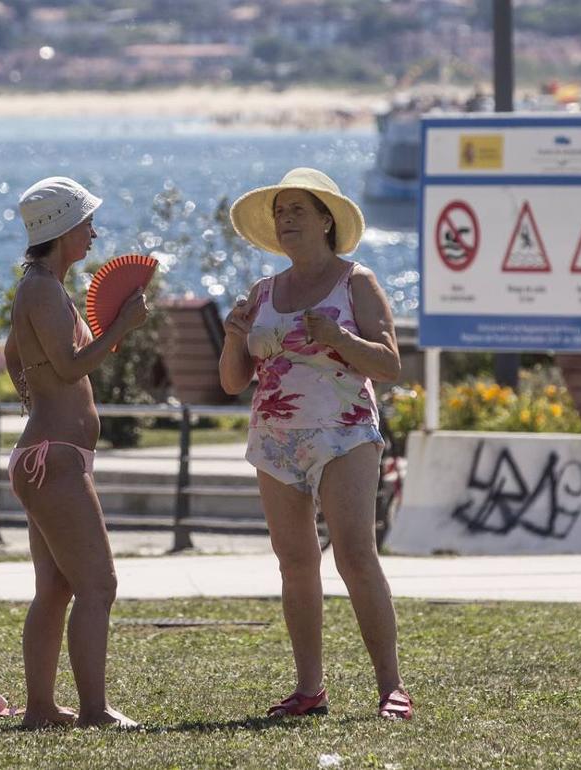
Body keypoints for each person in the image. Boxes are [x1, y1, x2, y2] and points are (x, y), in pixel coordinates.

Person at [218, 168, 411, 720]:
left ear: (327, 220)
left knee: (354, 554)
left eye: (298, 210)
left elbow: (391, 365)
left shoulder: (357, 283)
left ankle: (391, 686)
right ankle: (309, 690)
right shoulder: (262, 292)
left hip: (344, 433)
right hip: (275, 438)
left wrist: (339, 338)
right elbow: (233, 382)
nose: (287, 221)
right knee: (295, 562)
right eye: (281, 212)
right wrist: (234, 335)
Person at [3, 176, 147, 729]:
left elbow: (18, 355)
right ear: (63, 229)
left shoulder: (39, 286)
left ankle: (41, 707)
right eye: (86, 223)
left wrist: (34, 397)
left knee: (57, 587)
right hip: (54, 456)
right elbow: (66, 366)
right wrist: (119, 329)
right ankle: (94, 710)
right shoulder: (42, 289)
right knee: (99, 584)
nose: (94, 232)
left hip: (49, 452)